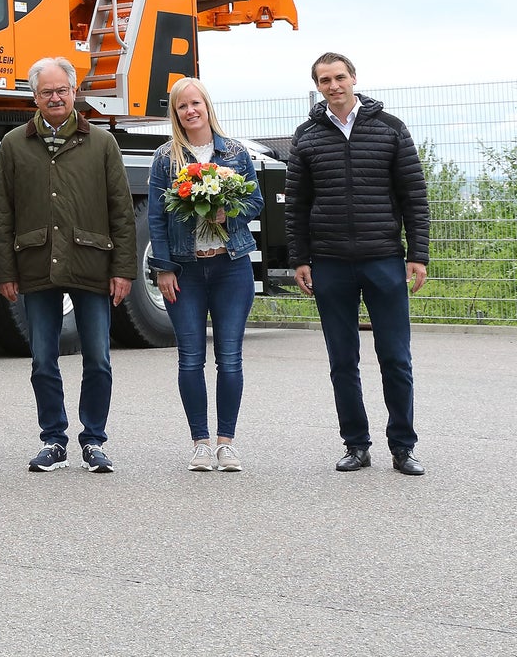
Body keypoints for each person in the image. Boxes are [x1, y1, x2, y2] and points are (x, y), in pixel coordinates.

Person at [287, 53, 431, 476]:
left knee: (396, 358)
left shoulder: (390, 129)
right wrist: (299, 259)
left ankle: (403, 447)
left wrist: (417, 254)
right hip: (330, 263)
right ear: (318, 86)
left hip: (383, 259)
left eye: (340, 77)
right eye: (325, 80)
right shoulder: (307, 136)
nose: (334, 86)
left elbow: (414, 197)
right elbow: (296, 204)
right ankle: (356, 444)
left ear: (354, 79)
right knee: (342, 360)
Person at [0, 56, 135, 474]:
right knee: (42, 359)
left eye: (61, 90)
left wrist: (123, 269)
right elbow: (2, 213)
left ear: (74, 92)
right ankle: (53, 439)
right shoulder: (16, 144)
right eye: (46, 92)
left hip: (92, 263)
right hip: (35, 263)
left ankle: (93, 441)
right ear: (34, 97)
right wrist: (4, 272)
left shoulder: (102, 143)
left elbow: (121, 211)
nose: (54, 97)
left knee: (99, 357)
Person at [146, 77, 264, 472]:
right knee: (189, 359)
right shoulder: (166, 158)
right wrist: (162, 267)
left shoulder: (234, 152)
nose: (190, 111)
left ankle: (226, 443)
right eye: (182, 106)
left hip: (231, 266)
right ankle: (199, 442)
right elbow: (156, 219)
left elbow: (256, 201)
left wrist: (227, 211)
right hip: (186, 270)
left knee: (229, 358)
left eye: (195, 103)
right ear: (175, 113)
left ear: (207, 106)